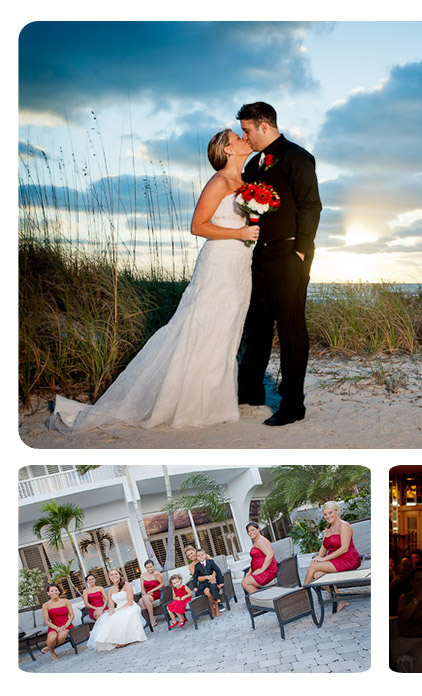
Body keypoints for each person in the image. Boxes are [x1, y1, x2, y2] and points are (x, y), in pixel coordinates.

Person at [46, 128, 258, 433]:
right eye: (236, 137)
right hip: (219, 263)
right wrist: (238, 233)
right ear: (228, 150)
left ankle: (216, 403)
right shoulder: (220, 182)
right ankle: (186, 404)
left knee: (226, 328)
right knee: (199, 325)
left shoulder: (245, 184)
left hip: (240, 265)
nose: (243, 138)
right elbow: (198, 226)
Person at [236, 102, 322, 426]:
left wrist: (300, 253)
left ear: (263, 125)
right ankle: (250, 393)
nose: (246, 137)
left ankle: (292, 406)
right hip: (260, 255)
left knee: (290, 330)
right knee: (256, 327)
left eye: (247, 130)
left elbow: (311, 207)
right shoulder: (253, 164)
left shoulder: (298, 157)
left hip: (290, 255)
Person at [303, 501, 361, 611]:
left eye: (330, 513)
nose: (328, 516)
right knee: (317, 575)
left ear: (337, 511)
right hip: (334, 560)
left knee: (314, 568)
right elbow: (324, 547)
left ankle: (303, 593)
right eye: (325, 514)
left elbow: (344, 548)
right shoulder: (328, 528)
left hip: (348, 559)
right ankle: (340, 599)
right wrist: (317, 559)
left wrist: (323, 559)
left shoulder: (344, 526)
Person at [87, 568, 147, 651]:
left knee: (124, 616)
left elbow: (130, 602)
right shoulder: (110, 590)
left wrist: (117, 610)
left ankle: (126, 640)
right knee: (107, 618)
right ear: (109, 577)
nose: (114, 576)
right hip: (118, 608)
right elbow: (111, 605)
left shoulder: (126, 585)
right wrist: (111, 610)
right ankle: (113, 640)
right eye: (111, 575)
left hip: (130, 607)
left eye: (115, 574)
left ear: (119, 575)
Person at [241, 521, 278, 593]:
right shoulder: (256, 541)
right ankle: (263, 597)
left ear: (258, 529)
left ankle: (263, 599)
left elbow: (270, 554)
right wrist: (250, 571)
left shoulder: (261, 541)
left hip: (267, 571)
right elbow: (255, 558)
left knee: (245, 582)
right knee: (245, 581)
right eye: (248, 531)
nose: (251, 532)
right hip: (259, 571)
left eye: (253, 530)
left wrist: (262, 569)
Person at [41, 584, 75, 660]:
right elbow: (46, 621)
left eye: (56, 590)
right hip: (54, 626)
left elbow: (72, 615)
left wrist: (65, 626)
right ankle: (52, 652)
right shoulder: (46, 605)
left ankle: (49, 647)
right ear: (48, 593)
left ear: (59, 591)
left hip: (66, 625)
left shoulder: (65, 601)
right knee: (52, 638)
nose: (54, 592)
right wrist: (56, 628)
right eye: (51, 591)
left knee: (62, 636)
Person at [193, 549, 224, 618]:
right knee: (208, 591)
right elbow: (195, 577)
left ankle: (218, 604)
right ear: (197, 557)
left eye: (202, 555)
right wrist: (194, 586)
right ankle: (213, 609)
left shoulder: (211, 562)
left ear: (205, 555)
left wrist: (221, 582)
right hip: (203, 583)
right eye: (198, 556)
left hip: (211, 581)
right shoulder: (197, 566)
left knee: (213, 587)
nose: (201, 557)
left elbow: (218, 570)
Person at [137, 559, 165, 627]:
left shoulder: (157, 574)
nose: (149, 569)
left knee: (145, 599)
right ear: (145, 568)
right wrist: (145, 594)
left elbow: (162, 584)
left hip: (156, 592)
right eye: (147, 567)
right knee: (140, 601)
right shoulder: (143, 575)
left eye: (150, 567)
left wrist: (153, 590)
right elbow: (142, 588)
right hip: (147, 593)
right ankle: (147, 620)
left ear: (153, 566)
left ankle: (152, 618)